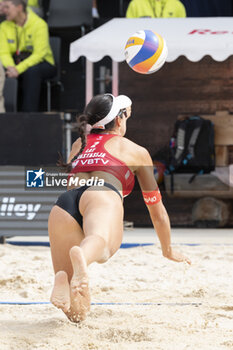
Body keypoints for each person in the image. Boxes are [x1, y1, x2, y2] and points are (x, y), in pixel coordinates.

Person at [48, 93, 191, 323]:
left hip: (63, 205)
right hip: (101, 195)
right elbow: (157, 211)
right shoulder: (135, 151)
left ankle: (63, 276)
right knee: (102, 247)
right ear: (118, 121)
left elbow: (74, 188)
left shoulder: (78, 144)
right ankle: (82, 256)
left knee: (77, 314)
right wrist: (168, 249)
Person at [0, 0, 56, 112]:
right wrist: (11, 67)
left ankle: (28, 115)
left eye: (7, 7)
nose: (4, 11)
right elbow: (3, 52)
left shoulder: (39, 24)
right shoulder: (4, 26)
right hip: (15, 63)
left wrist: (18, 69)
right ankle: (6, 113)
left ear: (19, 7)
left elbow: (39, 54)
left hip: (43, 63)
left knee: (32, 71)